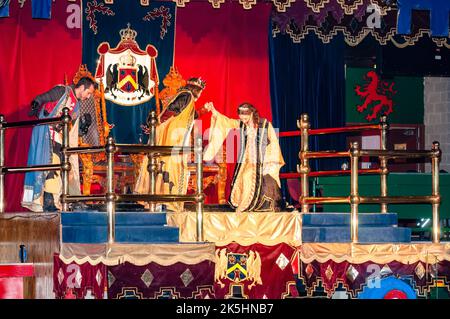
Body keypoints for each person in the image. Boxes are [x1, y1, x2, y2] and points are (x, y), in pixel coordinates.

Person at [22, 77, 97, 212]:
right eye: (89, 92)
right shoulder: (63, 91)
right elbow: (43, 97)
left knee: (62, 168)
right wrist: (36, 103)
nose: (88, 96)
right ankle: (48, 202)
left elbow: (74, 132)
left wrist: (84, 125)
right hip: (46, 132)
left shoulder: (77, 105)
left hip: (60, 138)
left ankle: (67, 201)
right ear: (82, 87)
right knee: (51, 166)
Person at [135, 77, 206, 211]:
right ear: (197, 90)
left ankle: (164, 202)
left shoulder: (187, 98)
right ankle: (166, 202)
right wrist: (156, 123)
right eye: (200, 92)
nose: (200, 95)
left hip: (175, 137)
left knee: (167, 166)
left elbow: (188, 116)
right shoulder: (187, 95)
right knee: (169, 166)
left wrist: (203, 110)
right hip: (171, 138)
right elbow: (171, 112)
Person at [203, 102, 285, 213]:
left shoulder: (264, 124)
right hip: (246, 161)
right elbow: (226, 122)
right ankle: (244, 204)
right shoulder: (242, 124)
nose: (242, 118)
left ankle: (245, 206)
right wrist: (214, 111)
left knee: (248, 177)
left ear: (251, 113)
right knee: (241, 178)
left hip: (262, 160)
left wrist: (269, 162)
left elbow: (274, 142)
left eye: (245, 115)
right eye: (240, 115)